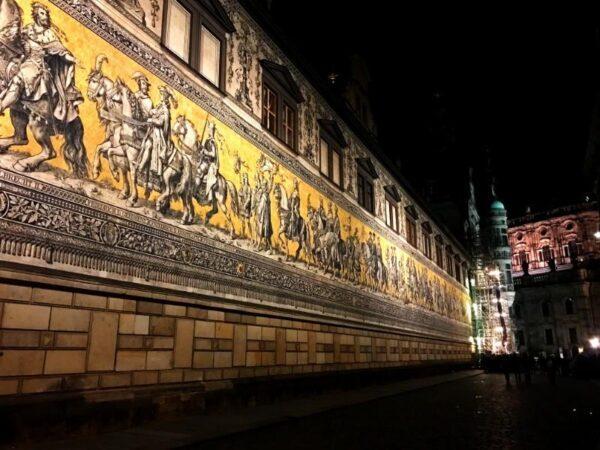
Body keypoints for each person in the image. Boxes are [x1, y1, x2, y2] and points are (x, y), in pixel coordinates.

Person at [0, 2, 83, 122]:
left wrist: (73, 59)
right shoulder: (29, 28)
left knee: (19, 78)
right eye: (42, 14)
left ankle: (1, 107)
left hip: (37, 65)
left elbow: (61, 52)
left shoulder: (49, 34)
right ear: (36, 15)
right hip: (23, 59)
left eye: (46, 14)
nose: (45, 17)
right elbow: (17, 40)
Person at [138, 85, 176, 196]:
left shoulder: (165, 110)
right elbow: (152, 112)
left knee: (149, 145)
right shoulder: (160, 107)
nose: (160, 96)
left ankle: (140, 168)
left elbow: (161, 123)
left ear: (165, 97)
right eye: (161, 94)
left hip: (158, 135)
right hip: (152, 131)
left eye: (162, 94)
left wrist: (152, 119)